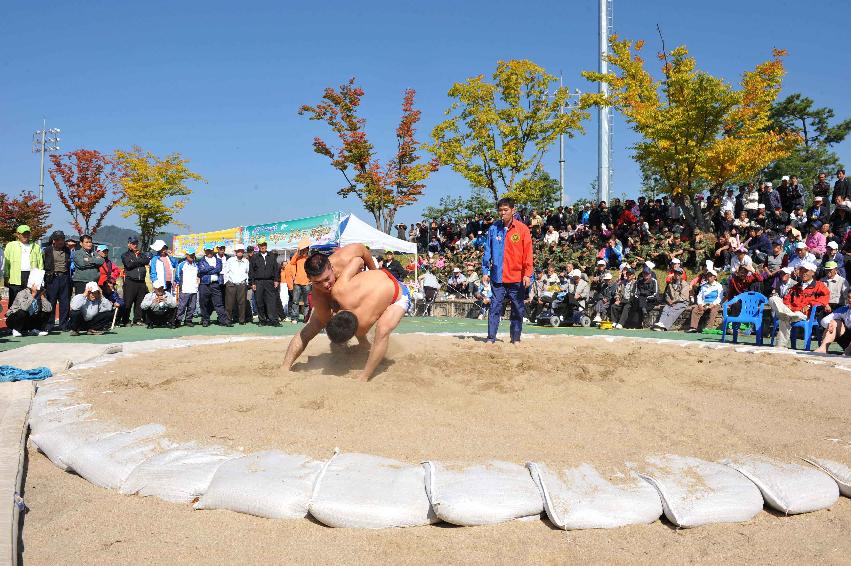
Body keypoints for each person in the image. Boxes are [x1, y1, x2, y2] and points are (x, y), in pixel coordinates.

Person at [283, 255, 409, 382]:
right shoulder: (340, 290)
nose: (325, 285)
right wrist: (370, 272)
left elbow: (358, 259)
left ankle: (365, 376)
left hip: (399, 295)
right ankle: (285, 366)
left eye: (327, 279)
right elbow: (357, 260)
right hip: (383, 278)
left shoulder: (362, 325)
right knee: (380, 330)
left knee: (383, 330)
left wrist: (371, 273)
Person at [481, 197, 533, 344]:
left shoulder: (522, 229)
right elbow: (487, 251)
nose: (502, 213)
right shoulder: (493, 229)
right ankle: (491, 338)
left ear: (513, 210)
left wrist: (528, 274)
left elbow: (528, 253)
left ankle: (515, 338)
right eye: (500, 210)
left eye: (506, 210)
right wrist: (485, 271)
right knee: (495, 307)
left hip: (517, 277)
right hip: (498, 277)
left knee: (518, 309)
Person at [769, 261, 829, 348]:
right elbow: (787, 298)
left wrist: (810, 305)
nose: (803, 273)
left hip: (804, 314)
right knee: (773, 298)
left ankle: (780, 345)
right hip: (791, 311)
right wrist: (787, 304)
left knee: (783, 318)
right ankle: (787, 315)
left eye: (806, 271)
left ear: (812, 272)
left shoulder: (819, 285)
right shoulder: (796, 286)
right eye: (801, 271)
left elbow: (825, 297)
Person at [4, 225, 44, 302]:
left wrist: (40, 278)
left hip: (31, 276)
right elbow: (6, 262)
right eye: (23, 234)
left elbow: (40, 264)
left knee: (31, 300)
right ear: (18, 234)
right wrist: (6, 275)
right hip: (15, 277)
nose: (26, 236)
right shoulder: (11, 245)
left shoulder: (36, 246)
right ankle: (13, 314)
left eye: (27, 233)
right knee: (14, 301)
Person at [5, 270, 51, 337]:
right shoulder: (22, 293)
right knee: (22, 312)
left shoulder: (41, 293)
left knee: (45, 312)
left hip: (28, 320)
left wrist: (43, 298)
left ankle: (35, 329)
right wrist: (33, 295)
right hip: (14, 320)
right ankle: (16, 329)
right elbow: (24, 307)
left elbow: (49, 309)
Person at [42, 231, 72, 331]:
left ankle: (63, 324)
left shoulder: (67, 250)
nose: (61, 241)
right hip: (52, 278)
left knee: (65, 302)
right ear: (54, 240)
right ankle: (49, 324)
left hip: (64, 278)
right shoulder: (47, 250)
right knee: (51, 301)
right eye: (58, 239)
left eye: (62, 239)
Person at [197, 244, 232, 327]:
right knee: (203, 303)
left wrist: (207, 270)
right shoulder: (201, 261)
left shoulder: (218, 260)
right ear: (205, 251)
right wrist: (212, 268)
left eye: (210, 250)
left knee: (219, 303)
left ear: (213, 250)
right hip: (204, 284)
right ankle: (205, 320)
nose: (209, 252)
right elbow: (201, 270)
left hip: (215, 284)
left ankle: (223, 320)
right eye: (207, 250)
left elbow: (218, 269)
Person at [249, 239, 280, 326]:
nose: (263, 246)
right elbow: (251, 271)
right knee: (259, 301)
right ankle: (262, 320)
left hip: (270, 282)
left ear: (266, 245)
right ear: (258, 246)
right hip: (258, 282)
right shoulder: (254, 257)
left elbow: (276, 269)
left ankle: (273, 320)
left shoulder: (272, 256)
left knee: (272, 301)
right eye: (261, 245)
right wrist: (253, 283)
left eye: (264, 244)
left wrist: (276, 280)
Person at [120, 236, 150, 326]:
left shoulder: (141, 254)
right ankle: (125, 320)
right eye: (133, 243)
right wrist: (139, 261)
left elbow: (147, 260)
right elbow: (128, 265)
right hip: (130, 281)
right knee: (128, 302)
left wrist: (136, 260)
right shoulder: (125, 255)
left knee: (139, 302)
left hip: (141, 282)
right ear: (129, 244)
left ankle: (137, 319)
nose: (135, 245)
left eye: (136, 243)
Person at [652, 265, 690, 331]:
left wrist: (674, 301)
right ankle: (661, 323)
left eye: (679, 273)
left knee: (673, 311)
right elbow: (667, 294)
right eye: (675, 273)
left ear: (681, 275)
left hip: (682, 302)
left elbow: (683, 297)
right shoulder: (670, 284)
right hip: (672, 302)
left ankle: (665, 327)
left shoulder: (685, 284)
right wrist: (668, 300)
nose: (677, 275)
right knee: (665, 308)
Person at [816, 288, 851, 354]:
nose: (850, 300)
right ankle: (823, 348)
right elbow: (824, 321)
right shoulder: (844, 309)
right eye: (849, 297)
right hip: (846, 340)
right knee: (833, 322)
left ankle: (849, 350)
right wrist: (830, 324)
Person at [286, 239, 311, 323]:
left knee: (307, 303)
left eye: (305, 249)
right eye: (302, 249)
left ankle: (306, 318)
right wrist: (298, 252)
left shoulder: (309, 258)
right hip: (297, 282)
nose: (303, 250)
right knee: (295, 301)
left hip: (307, 283)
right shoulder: (298, 258)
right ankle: (294, 318)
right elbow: (292, 262)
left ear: (307, 249)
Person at [225, 243, 250, 324]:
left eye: (241, 251)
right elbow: (225, 272)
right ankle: (229, 319)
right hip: (231, 284)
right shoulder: (230, 260)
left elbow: (247, 272)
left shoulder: (246, 261)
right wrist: (227, 282)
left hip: (242, 284)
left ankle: (241, 320)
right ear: (235, 252)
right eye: (238, 251)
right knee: (230, 303)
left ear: (243, 252)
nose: (240, 252)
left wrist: (246, 283)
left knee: (242, 303)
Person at [175, 249, 200, 327]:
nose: (191, 256)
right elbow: (177, 276)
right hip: (185, 288)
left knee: (192, 306)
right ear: (186, 255)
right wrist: (180, 284)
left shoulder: (196, 265)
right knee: (182, 306)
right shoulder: (181, 264)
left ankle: (188, 320)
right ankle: (178, 320)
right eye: (190, 255)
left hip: (194, 289)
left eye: (193, 255)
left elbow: (198, 276)